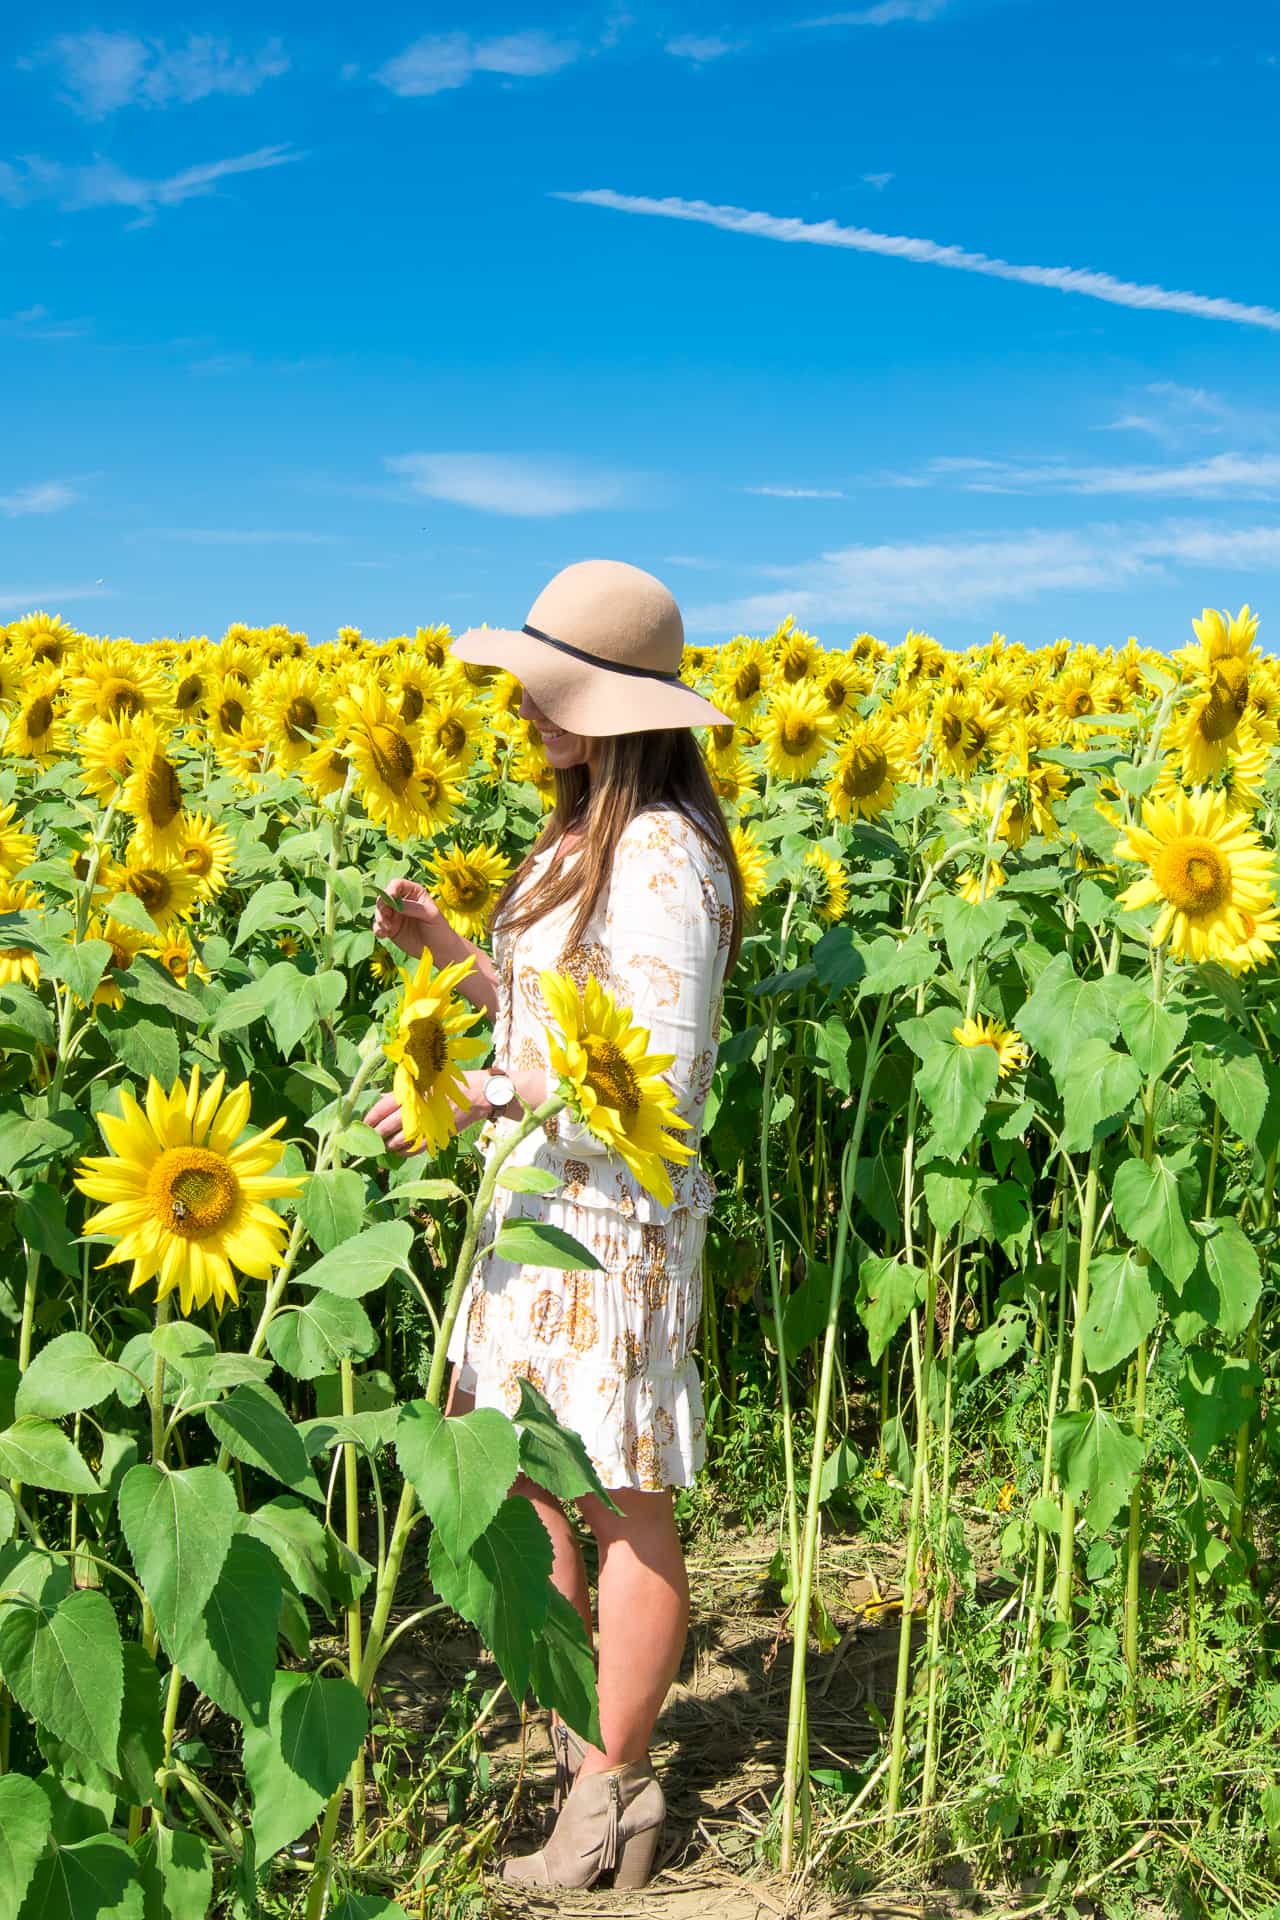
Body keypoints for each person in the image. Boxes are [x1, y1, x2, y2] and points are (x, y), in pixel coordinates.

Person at [368, 558, 745, 1891]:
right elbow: (555, 1027)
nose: (523, 708)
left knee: (626, 1505)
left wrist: (475, 1093)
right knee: (532, 1486)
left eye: (550, 691)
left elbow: (654, 1078)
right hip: (537, 1213)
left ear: (626, 709)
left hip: (612, 1229)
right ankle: (577, 1750)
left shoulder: (664, 858)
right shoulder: (583, 829)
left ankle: (611, 1794)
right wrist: (455, 962)